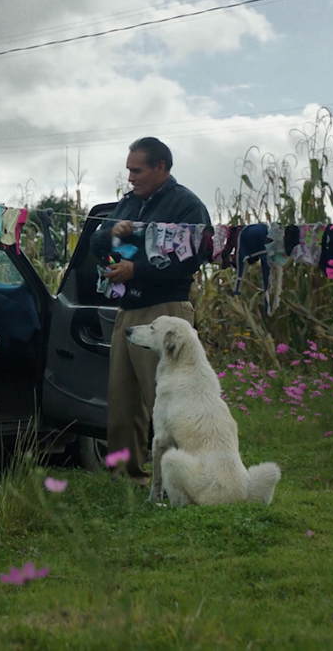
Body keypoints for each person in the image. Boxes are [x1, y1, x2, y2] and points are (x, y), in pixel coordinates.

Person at [90, 137, 210, 485]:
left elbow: (193, 256)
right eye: (128, 170)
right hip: (128, 310)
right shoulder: (127, 204)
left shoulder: (186, 205)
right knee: (123, 398)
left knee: (166, 399)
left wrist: (137, 270)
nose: (130, 178)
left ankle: (187, 472)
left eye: (137, 170)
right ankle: (127, 475)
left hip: (166, 311)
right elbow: (97, 243)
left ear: (161, 167)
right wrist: (112, 230)